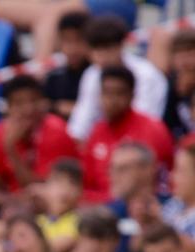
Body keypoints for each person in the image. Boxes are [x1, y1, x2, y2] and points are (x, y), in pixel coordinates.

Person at [68, 15, 169, 144]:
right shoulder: (92, 75)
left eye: (107, 49)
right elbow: (80, 125)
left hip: (144, 144)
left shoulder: (147, 76)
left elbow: (145, 124)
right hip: (106, 143)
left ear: (121, 46)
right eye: (97, 51)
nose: (102, 57)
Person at [81, 65, 174, 203]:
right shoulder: (97, 131)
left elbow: (150, 185)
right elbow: (86, 183)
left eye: (119, 93)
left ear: (132, 95)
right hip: (103, 207)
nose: (111, 100)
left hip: (142, 206)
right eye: (106, 93)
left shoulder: (151, 129)